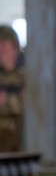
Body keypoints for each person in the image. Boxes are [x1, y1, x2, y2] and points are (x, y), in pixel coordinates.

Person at [0, 24, 25, 152]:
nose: (0, 50)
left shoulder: (29, 74)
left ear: (15, 48)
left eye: (4, 45)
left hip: (23, 142)